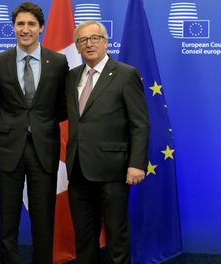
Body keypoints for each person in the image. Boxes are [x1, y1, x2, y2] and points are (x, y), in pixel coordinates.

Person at [0, 2, 69, 263]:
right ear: (13, 28)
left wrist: (42, 124)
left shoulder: (58, 62)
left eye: (31, 24)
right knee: (7, 219)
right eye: (20, 24)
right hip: (8, 149)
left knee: (43, 219)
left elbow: (64, 107)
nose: (25, 29)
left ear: (41, 27)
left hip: (44, 150)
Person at [65, 21, 150, 264]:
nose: (89, 44)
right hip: (78, 170)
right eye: (83, 40)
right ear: (78, 48)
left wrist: (137, 163)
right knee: (83, 238)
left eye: (94, 38)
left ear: (105, 42)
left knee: (116, 237)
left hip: (113, 170)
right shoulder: (71, 77)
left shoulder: (125, 74)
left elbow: (140, 124)